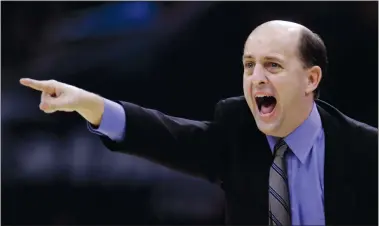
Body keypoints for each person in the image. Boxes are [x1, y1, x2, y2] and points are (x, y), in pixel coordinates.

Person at [20, 20, 377, 225]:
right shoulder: (236, 129)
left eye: (273, 65)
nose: (256, 78)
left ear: (311, 79)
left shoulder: (365, 150)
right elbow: (165, 135)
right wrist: (90, 104)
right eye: (248, 65)